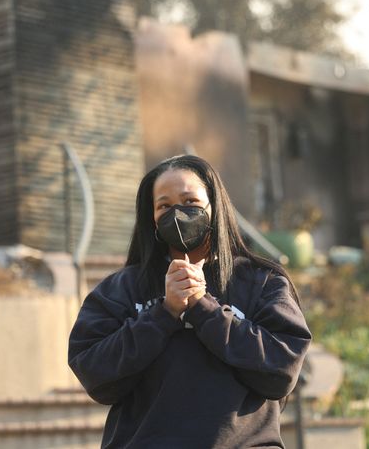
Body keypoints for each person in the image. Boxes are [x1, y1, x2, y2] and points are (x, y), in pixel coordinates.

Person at [68, 154, 311, 448]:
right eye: (164, 206)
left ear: (215, 207)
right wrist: (164, 313)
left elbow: (281, 369)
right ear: (152, 219)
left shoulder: (262, 281)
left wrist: (204, 308)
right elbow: (96, 375)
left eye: (190, 202)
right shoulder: (120, 289)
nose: (178, 214)